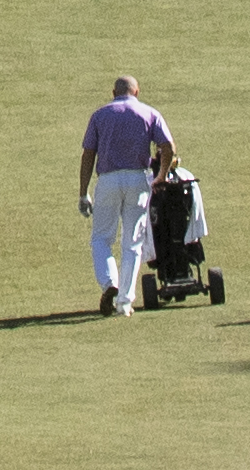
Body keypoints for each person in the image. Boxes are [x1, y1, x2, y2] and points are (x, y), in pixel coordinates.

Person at [76, 75, 185, 315]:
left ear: (113, 93)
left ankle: (109, 284)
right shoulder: (149, 113)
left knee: (101, 238)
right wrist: (162, 175)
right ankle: (124, 302)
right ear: (136, 92)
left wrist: (83, 193)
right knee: (132, 242)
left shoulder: (100, 115)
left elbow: (88, 155)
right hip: (138, 179)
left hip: (108, 180)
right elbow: (168, 147)